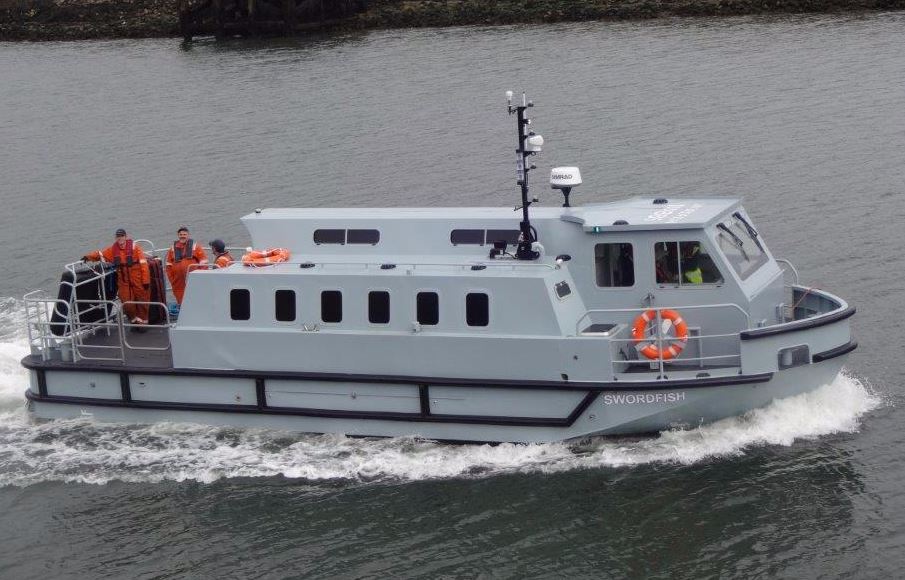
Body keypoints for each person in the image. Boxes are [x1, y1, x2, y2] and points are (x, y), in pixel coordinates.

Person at [82, 228, 151, 327]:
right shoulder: (113, 250)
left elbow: (143, 264)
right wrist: (88, 257)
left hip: (138, 279)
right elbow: (101, 254)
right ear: (116, 238)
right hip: (124, 281)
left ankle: (143, 323)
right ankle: (134, 321)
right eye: (118, 236)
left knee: (142, 301)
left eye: (122, 236)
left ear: (125, 237)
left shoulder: (135, 248)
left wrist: (146, 280)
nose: (120, 238)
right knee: (126, 303)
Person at [165, 226, 207, 305]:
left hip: (193, 278)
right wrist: (172, 279)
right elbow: (168, 265)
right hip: (178, 281)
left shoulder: (196, 247)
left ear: (188, 235)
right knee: (180, 299)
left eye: (184, 234)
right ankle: (182, 309)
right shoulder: (172, 249)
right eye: (181, 234)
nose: (182, 236)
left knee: (195, 296)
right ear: (178, 235)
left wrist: (200, 276)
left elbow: (204, 262)